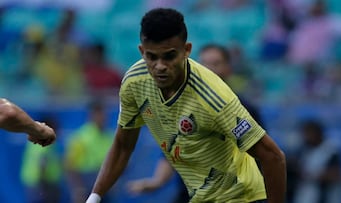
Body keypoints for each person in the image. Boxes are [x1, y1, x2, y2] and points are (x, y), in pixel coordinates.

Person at [86, 8, 286, 203]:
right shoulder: (134, 83)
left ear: (187, 50)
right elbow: (122, 146)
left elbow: (272, 156)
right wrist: (94, 198)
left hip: (240, 196)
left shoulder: (214, 97)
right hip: (197, 193)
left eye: (169, 56)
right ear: (141, 51)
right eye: (152, 57)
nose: (160, 66)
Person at [65, 100, 113, 203]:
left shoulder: (109, 136)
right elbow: (70, 165)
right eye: (99, 113)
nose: (102, 117)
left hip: (105, 184)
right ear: (91, 115)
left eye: (103, 113)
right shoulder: (80, 137)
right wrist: (77, 189)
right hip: (86, 183)